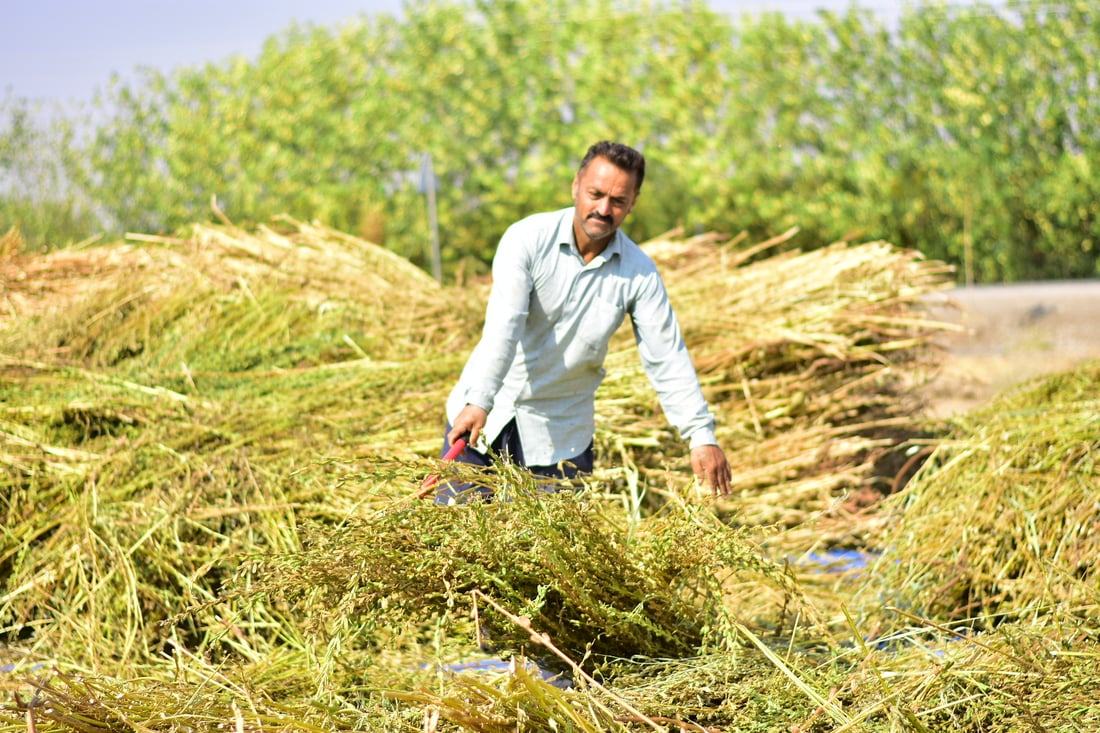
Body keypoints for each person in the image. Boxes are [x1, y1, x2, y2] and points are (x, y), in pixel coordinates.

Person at [437, 141, 731, 503]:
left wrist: (701, 435)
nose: (604, 209)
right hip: (481, 422)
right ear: (576, 185)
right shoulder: (527, 240)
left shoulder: (639, 274)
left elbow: (666, 355)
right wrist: (480, 399)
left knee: (543, 559)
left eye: (618, 201)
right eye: (596, 194)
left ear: (633, 203)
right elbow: (505, 325)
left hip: (559, 445)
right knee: (457, 547)